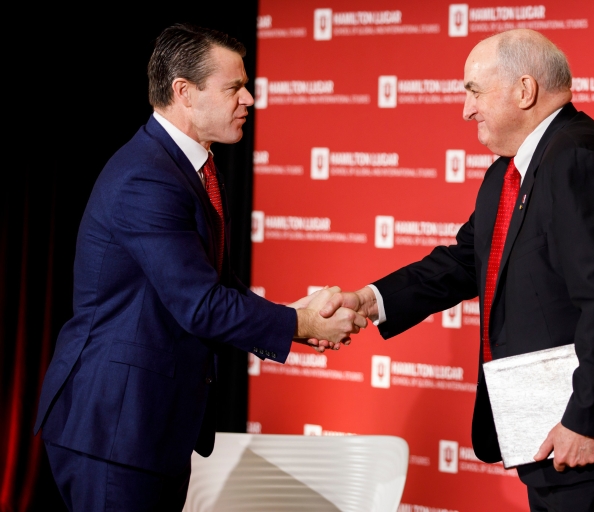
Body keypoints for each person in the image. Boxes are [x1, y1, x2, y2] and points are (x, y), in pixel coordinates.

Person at [322, 29, 594, 511]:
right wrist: (369, 301)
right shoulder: (511, 169)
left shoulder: (577, 159)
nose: (466, 109)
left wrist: (588, 419)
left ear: (525, 90)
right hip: (550, 432)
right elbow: (464, 261)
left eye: (473, 91)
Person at [33, 24, 364, 511]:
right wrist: (302, 321)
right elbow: (201, 304)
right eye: (234, 88)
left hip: (150, 428)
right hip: (113, 429)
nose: (249, 98)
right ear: (183, 93)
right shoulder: (147, 176)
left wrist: (291, 318)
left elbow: (209, 285)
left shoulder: (193, 168)